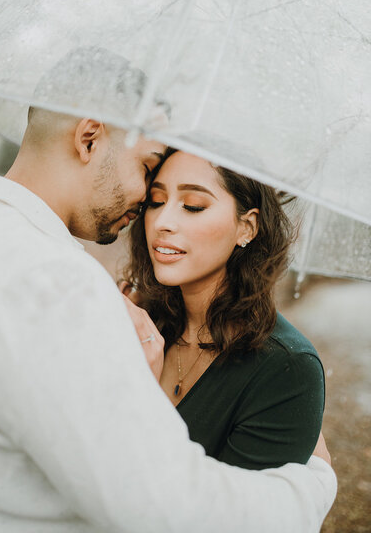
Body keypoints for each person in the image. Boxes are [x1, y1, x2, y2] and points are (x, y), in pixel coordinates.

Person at [0, 52, 337, 532]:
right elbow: (163, 509)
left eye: (193, 204)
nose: (151, 207)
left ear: (247, 225)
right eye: (149, 170)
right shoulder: (61, 286)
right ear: (88, 138)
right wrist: (311, 485)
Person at [124, 148, 325, 470]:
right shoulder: (136, 323)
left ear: (247, 227)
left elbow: (236, 515)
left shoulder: (287, 369)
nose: (162, 221)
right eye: (156, 202)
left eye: (193, 206)